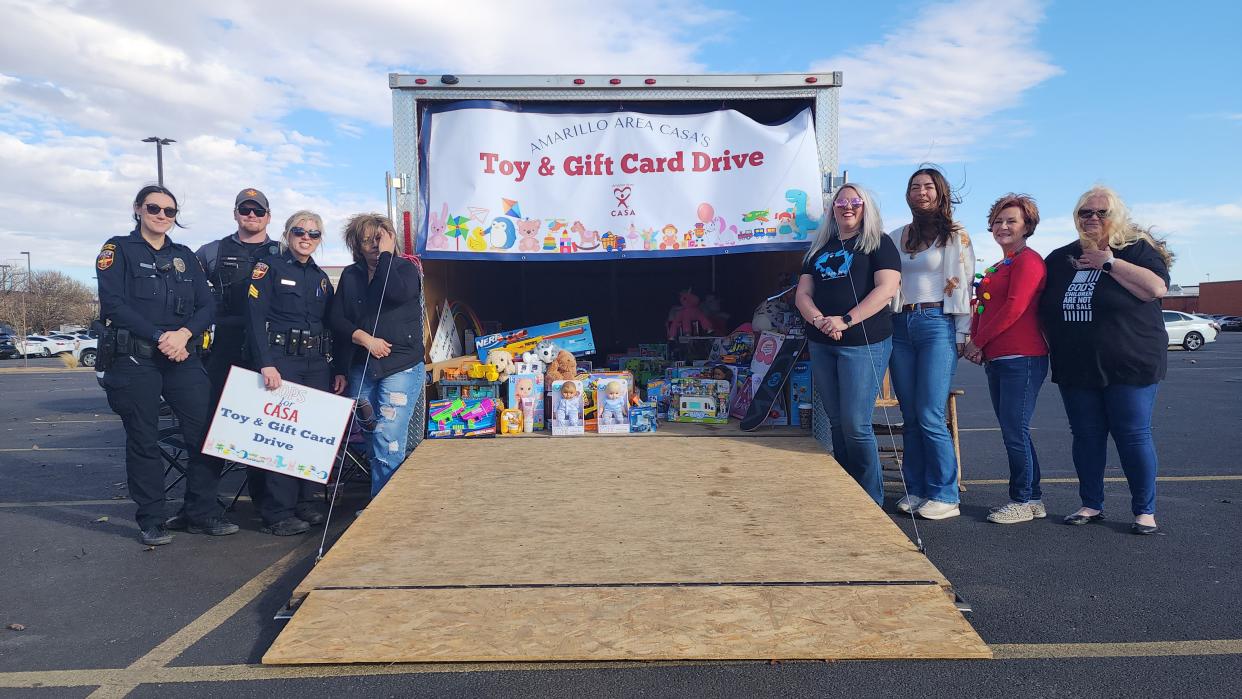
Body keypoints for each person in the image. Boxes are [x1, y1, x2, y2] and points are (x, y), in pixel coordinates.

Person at [96, 185, 238, 545]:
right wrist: (162, 336)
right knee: (143, 439)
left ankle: (200, 512)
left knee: (206, 434)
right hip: (136, 358)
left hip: (181, 357)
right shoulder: (118, 250)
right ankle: (152, 518)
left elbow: (208, 305)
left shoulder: (185, 256)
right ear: (138, 209)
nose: (162, 216)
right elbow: (113, 305)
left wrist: (185, 333)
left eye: (169, 211)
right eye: (154, 208)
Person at [1037, 186, 1171, 535]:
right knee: (1086, 436)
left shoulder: (1137, 250)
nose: (1093, 218)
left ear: (1116, 216)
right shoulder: (1059, 258)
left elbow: (1156, 289)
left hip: (1131, 362)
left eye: (1101, 212)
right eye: (1085, 212)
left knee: (1133, 435)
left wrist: (1109, 263)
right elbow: (1044, 309)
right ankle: (1091, 503)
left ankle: (1144, 510)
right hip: (1077, 366)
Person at [795, 183, 901, 507]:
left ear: (865, 207)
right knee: (838, 422)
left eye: (855, 201)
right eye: (841, 202)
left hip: (862, 343)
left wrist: (845, 320)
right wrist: (820, 321)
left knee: (856, 424)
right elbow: (802, 295)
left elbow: (886, 290)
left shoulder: (879, 243)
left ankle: (872, 501)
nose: (848, 206)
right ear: (833, 209)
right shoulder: (818, 248)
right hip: (822, 343)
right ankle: (848, 493)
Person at [244, 211, 348, 535]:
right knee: (283, 437)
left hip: (316, 362)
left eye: (314, 234)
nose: (306, 238)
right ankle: (278, 512)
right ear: (288, 234)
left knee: (311, 437)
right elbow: (253, 316)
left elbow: (331, 324)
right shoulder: (269, 269)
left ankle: (306, 502)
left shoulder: (319, 277)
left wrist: (339, 368)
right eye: (300, 231)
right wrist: (265, 362)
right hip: (281, 361)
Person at [191, 189, 285, 526]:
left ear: (268, 217)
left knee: (263, 429)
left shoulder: (282, 251)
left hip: (267, 351)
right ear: (235, 214)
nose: (252, 216)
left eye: (258, 211)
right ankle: (202, 507)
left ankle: (266, 506)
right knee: (216, 427)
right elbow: (186, 288)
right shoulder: (212, 251)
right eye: (245, 210)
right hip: (226, 347)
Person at [886, 167, 975, 520]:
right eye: (915, 186)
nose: (921, 192)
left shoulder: (955, 236)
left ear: (940, 193)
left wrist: (963, 334)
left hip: (937, 322)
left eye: (928, 187)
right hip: (900, 324)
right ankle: (918, 487)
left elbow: (965, 284)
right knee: (910, 414)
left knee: (930, 413)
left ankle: (945, 494)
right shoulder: (896, 236)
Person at [963, 194, 1049, 524]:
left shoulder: (1029, 261)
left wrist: (977, 342)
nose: (1003, 226)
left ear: (1027, 226)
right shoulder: (1000, 265)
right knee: (1016, 430)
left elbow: (1014, 308)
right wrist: (974, 338)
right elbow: (983, 308)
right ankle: (1034, 498)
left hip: (1022, 357)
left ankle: (1022, 500)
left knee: (1014, 430)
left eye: (1011, 220)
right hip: (998, 358)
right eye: (998, 221)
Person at [329, 214, 426, 500]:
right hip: (363, 364)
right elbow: (336, 318)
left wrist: (386, 256)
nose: (374, 244)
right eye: (367, 240)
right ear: (356, 244)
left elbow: (394, 293)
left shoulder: (405, 270)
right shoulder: (350, 275)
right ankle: (382, 498)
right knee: (371, 433)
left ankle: (384, 507)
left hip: (401, 365)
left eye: (379, 238)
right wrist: (364, 339)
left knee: (388, 436)